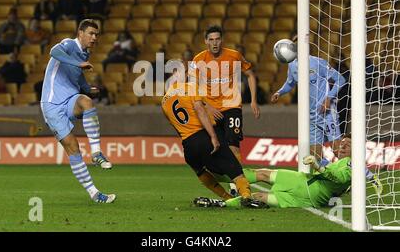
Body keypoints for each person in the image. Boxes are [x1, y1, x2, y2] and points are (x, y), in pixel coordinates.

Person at [161, 62, 265, 208]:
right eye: (185, 72)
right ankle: (246, 196)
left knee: (200, 171)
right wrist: (213, 137)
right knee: (234, 167)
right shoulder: (190, 88)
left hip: (188, 145)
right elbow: (199, 109)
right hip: (203, 136)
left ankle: (227, 198)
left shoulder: (164, 101)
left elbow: (175, 126)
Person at [40, 19, 115, 204]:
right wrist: (78, 63)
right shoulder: (68, 44)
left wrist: (88, 88)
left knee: (86, 101)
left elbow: (78, 79)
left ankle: (96, 153)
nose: (94, 37)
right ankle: (94, 193)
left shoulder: (83, 56)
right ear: (80, 33)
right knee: (73, 148)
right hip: (52, 105)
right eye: (90, 33)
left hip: (70, 100)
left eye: (96, 34)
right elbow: (53, 52)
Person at [194, 136, 382, 209]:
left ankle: (227, 177)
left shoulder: (351, 164)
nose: (343, 145)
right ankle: (221, 204)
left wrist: (318, 167)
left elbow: (336, 177)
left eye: (348, 144)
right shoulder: (348, 165)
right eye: (343, 142)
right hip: (310, 198)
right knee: (258, 195)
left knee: (263, 176)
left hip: (303, 184)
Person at [270, 36, 346, 163]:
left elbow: (340, 79)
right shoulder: (292, 65)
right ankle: (330, 177)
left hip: (326, 112)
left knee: (337, 150)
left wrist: (329, 98)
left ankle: (359, 175)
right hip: (311, 116)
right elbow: (290, 83)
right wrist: (280, 92)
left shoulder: (318, 62)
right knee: (315, 156)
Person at [191, 25, 260, 163]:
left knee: (233, 145)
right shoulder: (198, 60)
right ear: (206, 41)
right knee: (214, 146)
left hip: (232, 107)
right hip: (211, 110)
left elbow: (250, 75)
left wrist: (253, 100)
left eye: (217, 39)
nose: (214, 43)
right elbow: (192, 87)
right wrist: (207, 106)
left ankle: (237, 182)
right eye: (211, 40)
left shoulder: (234, 56)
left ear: (222, 40)